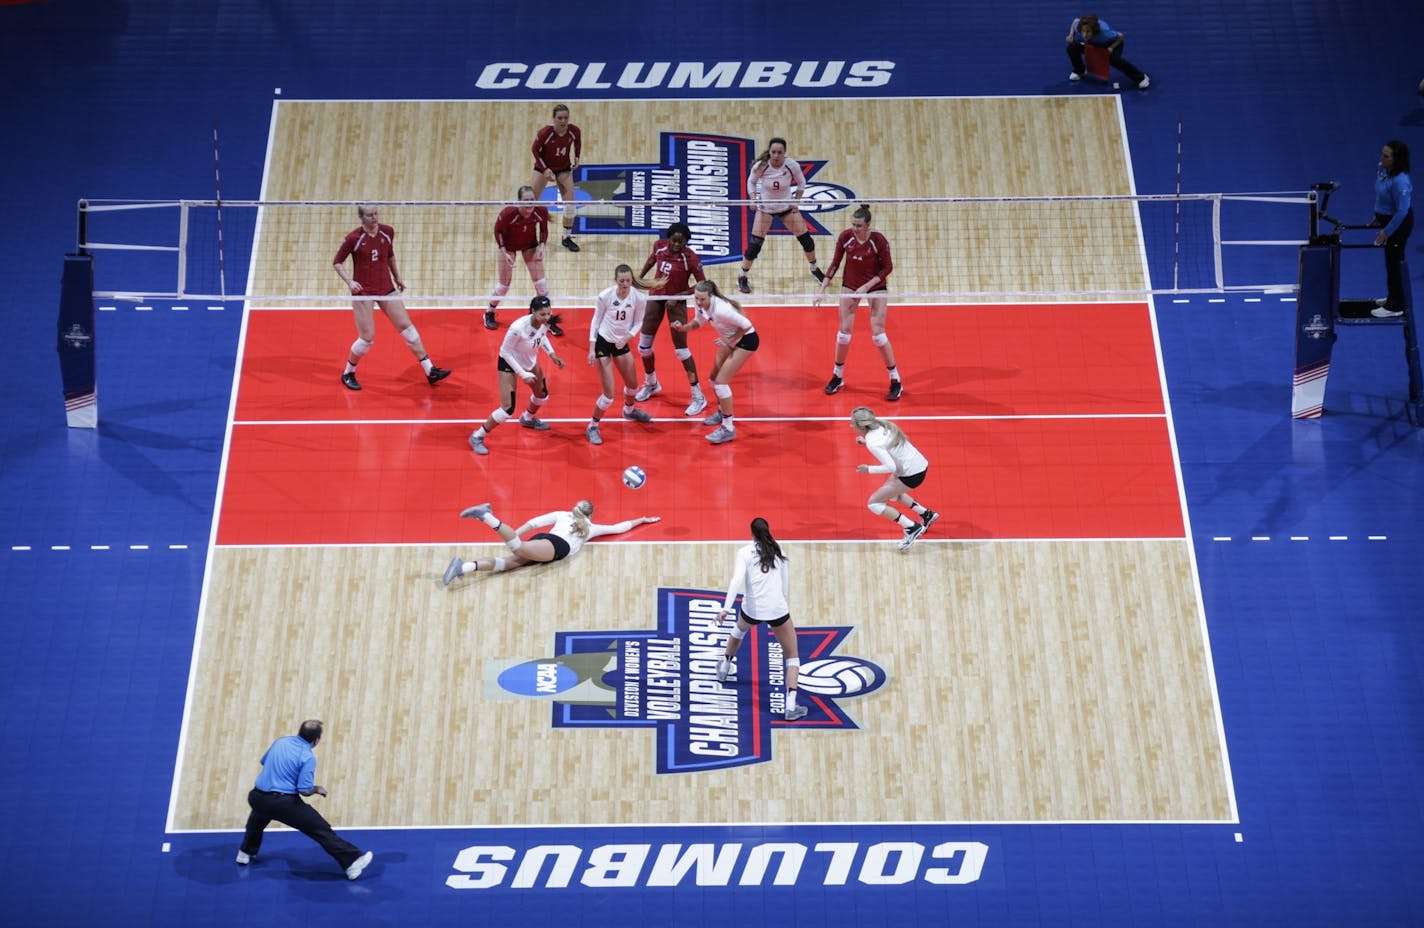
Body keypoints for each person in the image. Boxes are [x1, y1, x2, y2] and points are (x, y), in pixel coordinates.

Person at [236, 720, 373, 881]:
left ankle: (245, 853)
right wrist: (317, 788)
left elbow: (264, 761)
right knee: (320, 829)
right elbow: (304, 790)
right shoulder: (307, 757)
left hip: (257, 797)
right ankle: (352, 863)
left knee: (258, 819)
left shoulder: (280, 742)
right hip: (283, 803)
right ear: (316, 740)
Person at [332, 205, 451, 391]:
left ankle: (430, 370)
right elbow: (337, 262)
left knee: (408, 328)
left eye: (375, 214)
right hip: (363, 292)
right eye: (369, 215)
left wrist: (397, 277)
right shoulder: (353, 239)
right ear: (361, 217)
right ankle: (348, 372)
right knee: (367, 339)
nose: (374, 218)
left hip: (386, 288)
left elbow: (390, 256)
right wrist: (350, 282)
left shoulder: (387, 232)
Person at [714, 518, 806, 721]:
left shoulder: (744, 552)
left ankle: (724, 667)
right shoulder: (778, 550)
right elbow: (785, 588)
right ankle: (790, 706)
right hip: (777, 610)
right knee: (792, 656)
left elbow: (736, 580)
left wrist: (726, 609)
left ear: (751, 533)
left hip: (753, 609)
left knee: (739, 629)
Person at [443, 500, 660, 583]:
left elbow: (534, 523)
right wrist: (642, 519)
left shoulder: (563, 514)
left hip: (545, 541)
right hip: (554, 548)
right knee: (518, 547)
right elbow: (619, 528)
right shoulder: (592, 528)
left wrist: (516, 532)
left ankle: (463, 566)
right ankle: (487, 516)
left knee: (509, 563)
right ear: (590, 515)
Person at [816, 204, 903, 400]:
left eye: (858, 225)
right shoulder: (846, 237)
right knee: (843, 334)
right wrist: (822, 289)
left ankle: (895, 379)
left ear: (868, 224)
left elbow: (888, 268)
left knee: (878, 335)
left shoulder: (878, 240)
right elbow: (835, 263)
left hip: (875, 286)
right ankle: (837, 376)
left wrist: (866, 286)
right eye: (853, 224)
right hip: (850, 285)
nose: (855, 228)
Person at [468, 296, 566, 455]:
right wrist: (522, 373)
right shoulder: (517, 328)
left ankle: (527, 418)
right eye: (543, 314)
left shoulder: (544, 323)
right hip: (509, 363)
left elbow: (543, 337)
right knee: (507, 409)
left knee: (542, 395)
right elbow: (505, 352)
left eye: (549, 313)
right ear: (533, 312)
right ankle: (478, 436)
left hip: (529, 362)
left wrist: (552, 355)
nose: (547, 318)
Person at [635, 221, 709, 416]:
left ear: (686, 242)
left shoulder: (690, 258)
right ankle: (651, 384)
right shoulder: (660, 246)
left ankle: (698, 396)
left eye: (681, 242)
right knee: (643, 347)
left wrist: (677, 297)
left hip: (678, 300)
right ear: (669, 238)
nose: (676, 245)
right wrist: (640, 278)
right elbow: (652, 259)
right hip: (657, 296)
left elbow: (702, 285)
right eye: (674, 241)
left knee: (681, 351)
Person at [671, 279, 758, 444]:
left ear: (710, 296)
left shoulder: (722, 310)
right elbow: (698, 323)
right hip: (730, 340)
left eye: (702, 299)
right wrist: (682, 328)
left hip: (747, 340)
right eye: (696, 298)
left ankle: (728, 428)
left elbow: (747, 325)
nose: (698, 302)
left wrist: (728, 340)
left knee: (721, 383)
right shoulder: (700, 305)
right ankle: (721, 411)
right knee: (713, 379)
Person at [736, 137, 825, 294]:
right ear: (769, 152)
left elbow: (801, 183)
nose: (776, 156)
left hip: (786, 207)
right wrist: (753, 199)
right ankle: (742, 276)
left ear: (785, 153)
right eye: (773, 152)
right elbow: (751, 182)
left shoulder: (791, 165)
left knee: (807, 241)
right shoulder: (761, 166)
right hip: (766, 208)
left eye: (779, 153)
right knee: (754, 246)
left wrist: (796, 202)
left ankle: (814, 268)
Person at [850, 406, 939, 551]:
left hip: (911, 474)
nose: (851, 425)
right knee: (892, 495)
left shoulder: (873, 442)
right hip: (918, 464)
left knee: (874, 504)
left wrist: (869, 469)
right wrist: (866, 443)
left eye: (852, 422)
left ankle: (912, 528)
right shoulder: (882, 425)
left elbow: (890, 467)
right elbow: (885, 445)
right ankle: (926, 514)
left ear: (862, 425)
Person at [585, 264, 655, 445]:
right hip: (604, 342)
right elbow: (596, 320)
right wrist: (592, 348)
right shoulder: (605, 296)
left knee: (633, 386)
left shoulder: (639, 298)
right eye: (622, 281)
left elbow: (639, 322)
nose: (625, 284)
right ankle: (593, 426)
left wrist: (627, 337)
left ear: (632, 280)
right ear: (616, 280)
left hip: (621, 342)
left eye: (628, 281)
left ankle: (629, 411)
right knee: (609, 394)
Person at [485, 185, 555, 333]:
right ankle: (489, 312)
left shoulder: (540, 210)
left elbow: (543, 229)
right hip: (508, 247)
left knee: (542, 286)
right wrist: (503, 251)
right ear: (519, 201)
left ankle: (543, 318)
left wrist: (542, 246)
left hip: (530, 246)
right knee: (504, 286)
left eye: (532, 200)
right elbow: (498, 231)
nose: (530, 203)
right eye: (526, 200)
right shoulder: (508, 213)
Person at [530, 103, 583, 253]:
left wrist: (577, 157)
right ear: (553, 119)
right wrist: (545, 169)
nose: (563, 121)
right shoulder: (545, 133)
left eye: (566, 117)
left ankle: (566, 238)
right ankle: (529, 236)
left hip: (563, 169)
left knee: (571, 204)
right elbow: (534, 150)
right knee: (529, 202)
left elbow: (578, 143)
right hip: (543, 167)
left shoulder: (574, 131)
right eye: (560, 118)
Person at [1370, 140, 1413, 319]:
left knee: (1395, 264)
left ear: (1397, 160)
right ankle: (1392, 296)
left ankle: (1395, 305)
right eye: (1382, 154)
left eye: (1386, 156)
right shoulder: (1383, 170)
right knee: (1390, 262)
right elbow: (1381, 197)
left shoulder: (1401, 181)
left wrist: (1386, 231)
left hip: (1398, 223)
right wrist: (1377, 216)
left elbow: (1402, 211)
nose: (1381, 158)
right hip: (1386, 219)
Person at [1066, 15, 1149, 89]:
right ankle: (1080, 70)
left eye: (1088, 32)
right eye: (1083, 31)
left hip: (1112, 43)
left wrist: (1111, 47)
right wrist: (1071, 35)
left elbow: (1120, 36)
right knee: (1072, 47)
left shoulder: (1105, 33)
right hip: (1092, 44)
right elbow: (1075, 21)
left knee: (1114, 60)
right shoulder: (1080, 27)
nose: (1084, 35)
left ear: (1094, 31)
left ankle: (1141, 77)